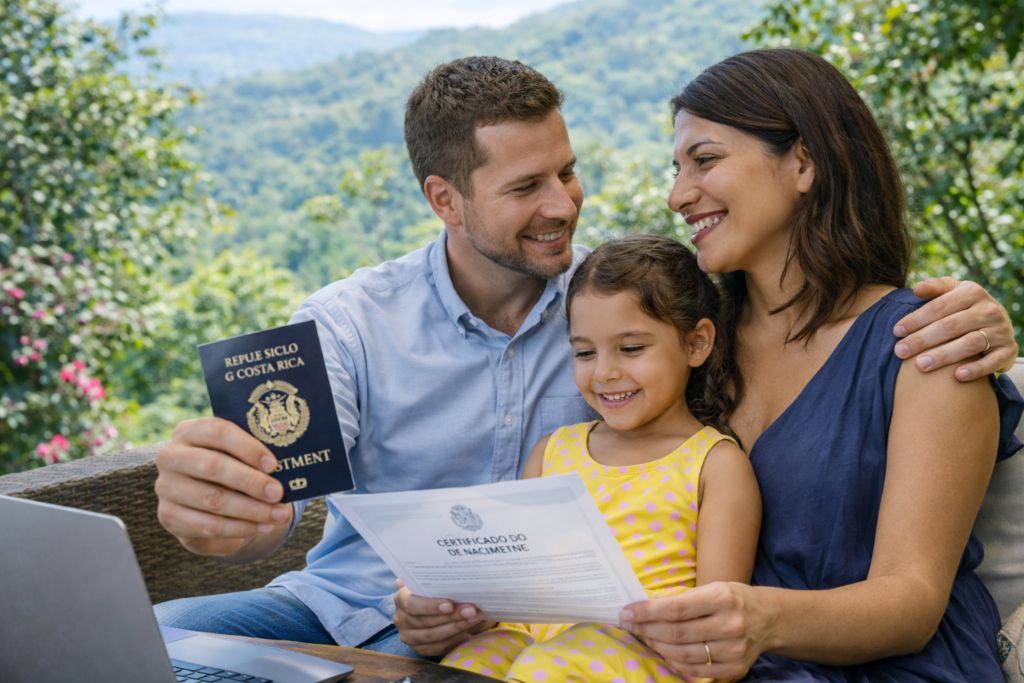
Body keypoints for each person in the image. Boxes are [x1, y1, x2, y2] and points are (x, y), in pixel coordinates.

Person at [153, 55, 1020, 660]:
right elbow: (266, 483)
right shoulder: (344, 320)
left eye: (567, 173)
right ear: (443, 199)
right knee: (135, 642)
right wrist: (223, 504)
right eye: (527, 186)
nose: (565, 205)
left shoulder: (630, 315)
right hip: (360, 605)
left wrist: (980, 312)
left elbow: (848, 342)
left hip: (574, 637)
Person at [595, 49, 1024, 682]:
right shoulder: (691, 344)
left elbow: (912, 603)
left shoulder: (926, 346)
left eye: (705, 160)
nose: (678, 195)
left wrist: (761, 619)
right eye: (676, 167)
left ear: (804, 161)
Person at [399, 234, 760, 682]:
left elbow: (714, 630)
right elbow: (509, 580)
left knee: (549, 662)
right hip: (534, 643)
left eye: (631, 348)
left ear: (696, 343)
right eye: (585, 352)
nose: (604, 372)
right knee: (472, 661)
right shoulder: (552, 452)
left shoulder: (714, 464)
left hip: (646, 660)